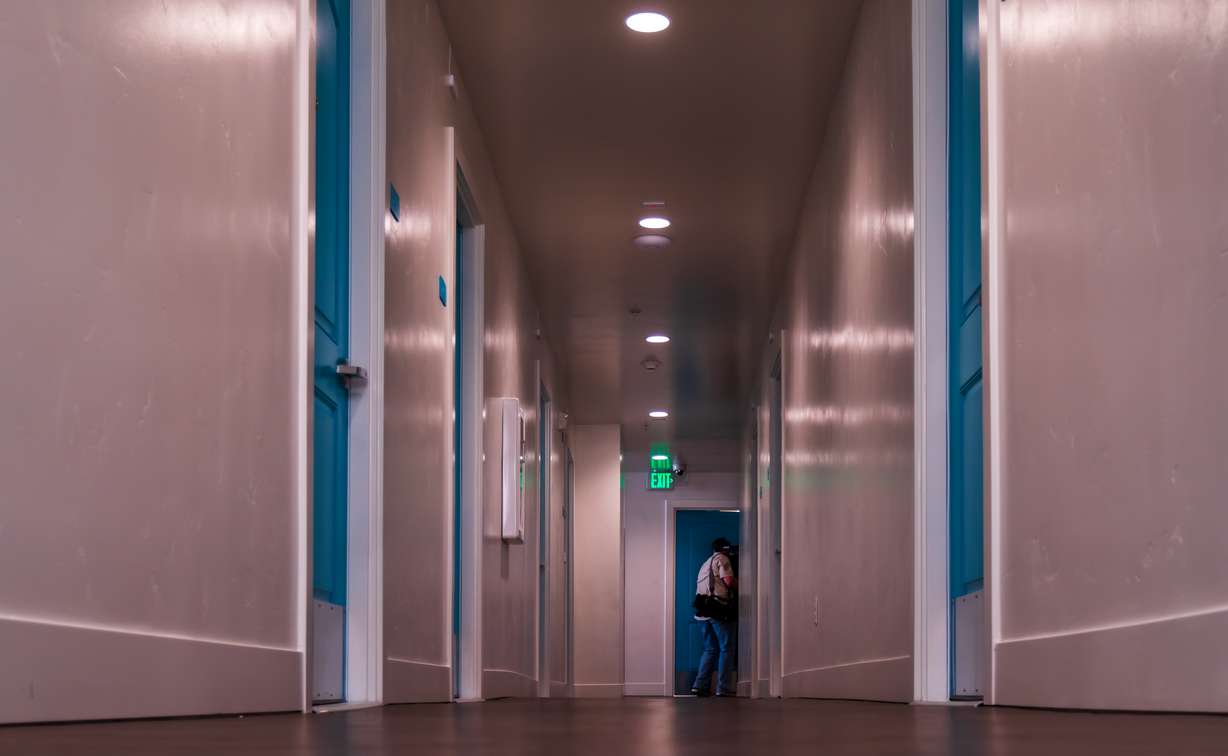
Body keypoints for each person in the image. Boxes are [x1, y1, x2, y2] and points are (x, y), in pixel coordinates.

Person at [691, 537, 737, 697]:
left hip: (702, 611)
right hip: (717, 609)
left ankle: (700, 685)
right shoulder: (722, 559)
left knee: (710, 649)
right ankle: (722, 688)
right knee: (726, 648)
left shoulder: (706, 563)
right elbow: (729, 581)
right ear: (725, 549)